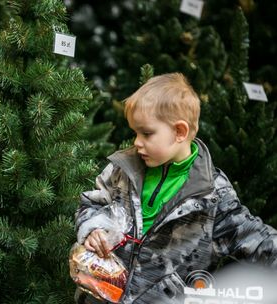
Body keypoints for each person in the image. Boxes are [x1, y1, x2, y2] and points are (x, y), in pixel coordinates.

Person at [74, 73, 277, 303]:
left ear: (180, 132)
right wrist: (93, 229)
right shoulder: (122, 169)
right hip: (102, 295)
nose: (137, 142)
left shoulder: (211, 193)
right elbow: (91, 203)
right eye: (135, 132)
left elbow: (255, 238)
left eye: (147, 133)